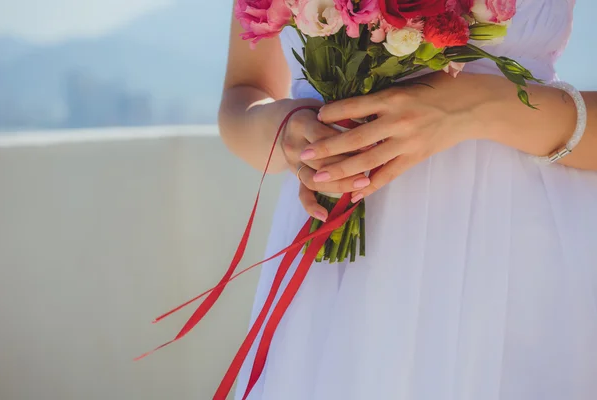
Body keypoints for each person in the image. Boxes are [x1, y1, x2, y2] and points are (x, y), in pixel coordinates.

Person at [218, 1, 597, 398]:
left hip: (512, 263)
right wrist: (287, 133)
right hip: (336, 281)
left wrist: (480, 106)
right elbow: (242, 97)